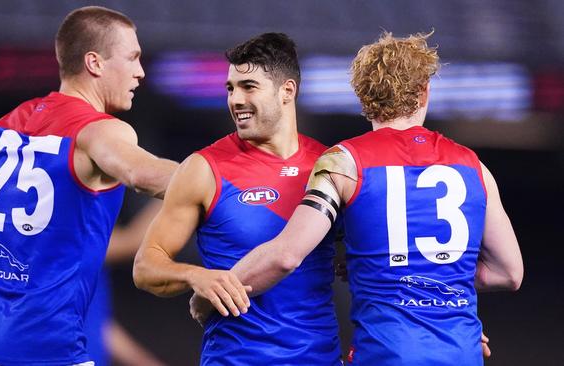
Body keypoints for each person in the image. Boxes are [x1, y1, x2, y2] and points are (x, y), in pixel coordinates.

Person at [222, 31, 524, 365]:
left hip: (385, 354)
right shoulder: (475, 167)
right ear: (424, 92)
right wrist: (435, 279)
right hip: (461, 354)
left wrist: (214, 293)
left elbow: (287, 255)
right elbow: (509, 273)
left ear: (362, 95)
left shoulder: (344, 162)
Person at [0, 6, 178, 365]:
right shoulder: (101, 130)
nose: (140, 72)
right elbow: (144, 174)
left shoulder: (9, 125)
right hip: (47, 352)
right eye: (132, 58)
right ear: (95, 63)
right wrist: (228, 180)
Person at [132, 33, 342, 364]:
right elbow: (146, 266)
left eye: (249, 87)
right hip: (236, 358)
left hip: (317, 357)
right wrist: (196, 276)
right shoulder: (204, 168)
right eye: (231, 88)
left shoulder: (331, 165)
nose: (235, 99)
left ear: (287, 91)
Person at [84, 198, 165, 366]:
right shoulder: (62, 240)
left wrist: (144, 361)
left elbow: (97, 325)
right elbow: (132, 241)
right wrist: (185, 188)